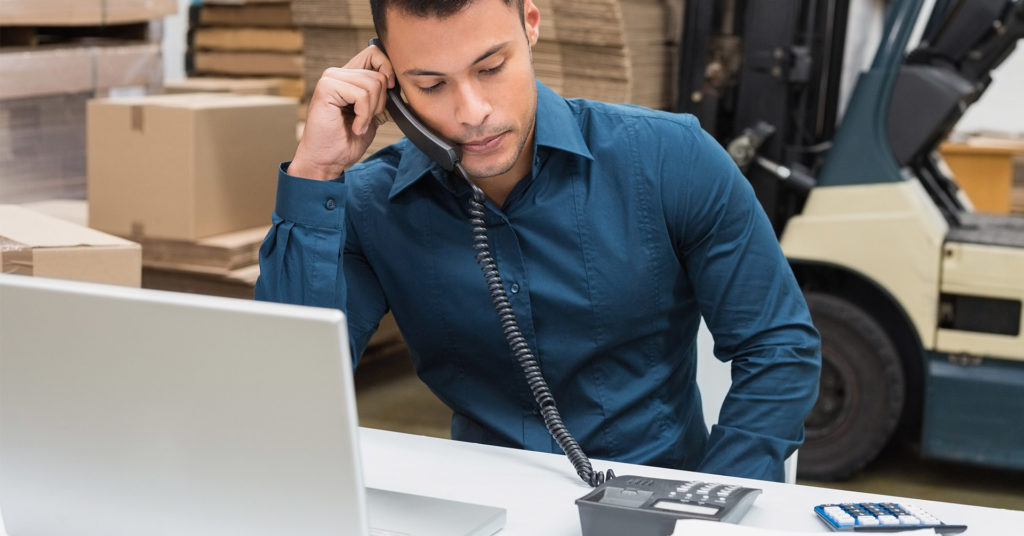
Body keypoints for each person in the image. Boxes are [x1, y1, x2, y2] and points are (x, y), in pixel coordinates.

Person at [255, 0, 821, 482]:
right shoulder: (369, 204)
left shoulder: (671, 159)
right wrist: (315, 174)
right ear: (390, 82)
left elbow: (777, 349)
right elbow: (285, 391)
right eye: (430, 84)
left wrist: (713, 503)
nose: (471, 112)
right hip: (484, 500)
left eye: (491, 67)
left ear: (530, 23)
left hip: (659, 496)